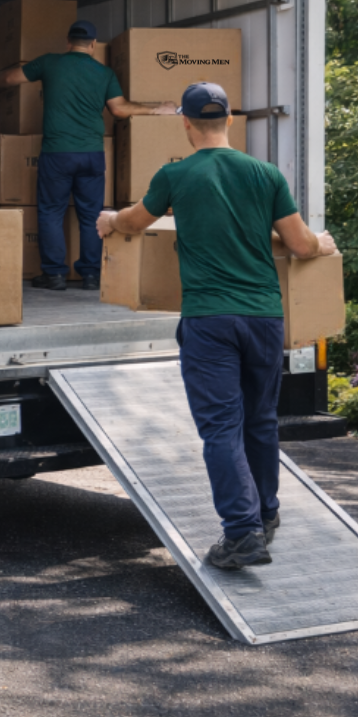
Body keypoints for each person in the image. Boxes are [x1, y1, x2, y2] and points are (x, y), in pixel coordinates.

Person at [97, 82, 336, 570]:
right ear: (228, 120)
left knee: (222, 427)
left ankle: (242, 533)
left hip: (210, 321)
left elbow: (136, 222)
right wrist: (322, 244)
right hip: (264, 318)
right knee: (261, 420)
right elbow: (299, 245)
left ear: (185, 123)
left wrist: (110, 220)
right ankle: (265, 514)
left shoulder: (176, 175)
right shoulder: (265, 174)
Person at [0, 20, 173, 290]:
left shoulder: (50, 62)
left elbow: (10, 79)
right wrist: (156, 109)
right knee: (91, 215)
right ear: (93, 45)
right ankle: (91, 275)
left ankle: (54, 274)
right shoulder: (104, 73)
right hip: (91, 155)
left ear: (68, 42)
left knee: (51, 212)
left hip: (57, 153)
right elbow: (119, 109)